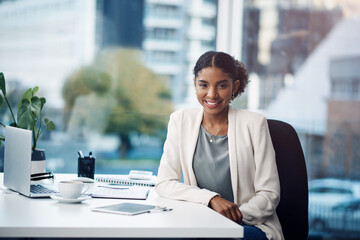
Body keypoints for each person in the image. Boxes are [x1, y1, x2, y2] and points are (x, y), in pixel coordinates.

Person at [155, 51, 284, 240]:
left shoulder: (255, 124)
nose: (212, 94)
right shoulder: (180, 120)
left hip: (250, 225)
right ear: (195, 84)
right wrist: (211, 199)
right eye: (203, 85)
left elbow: (269, 194)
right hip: (202, 225)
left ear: (235, 86)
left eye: (222, 85)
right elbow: (165, 183)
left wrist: (231, 218)